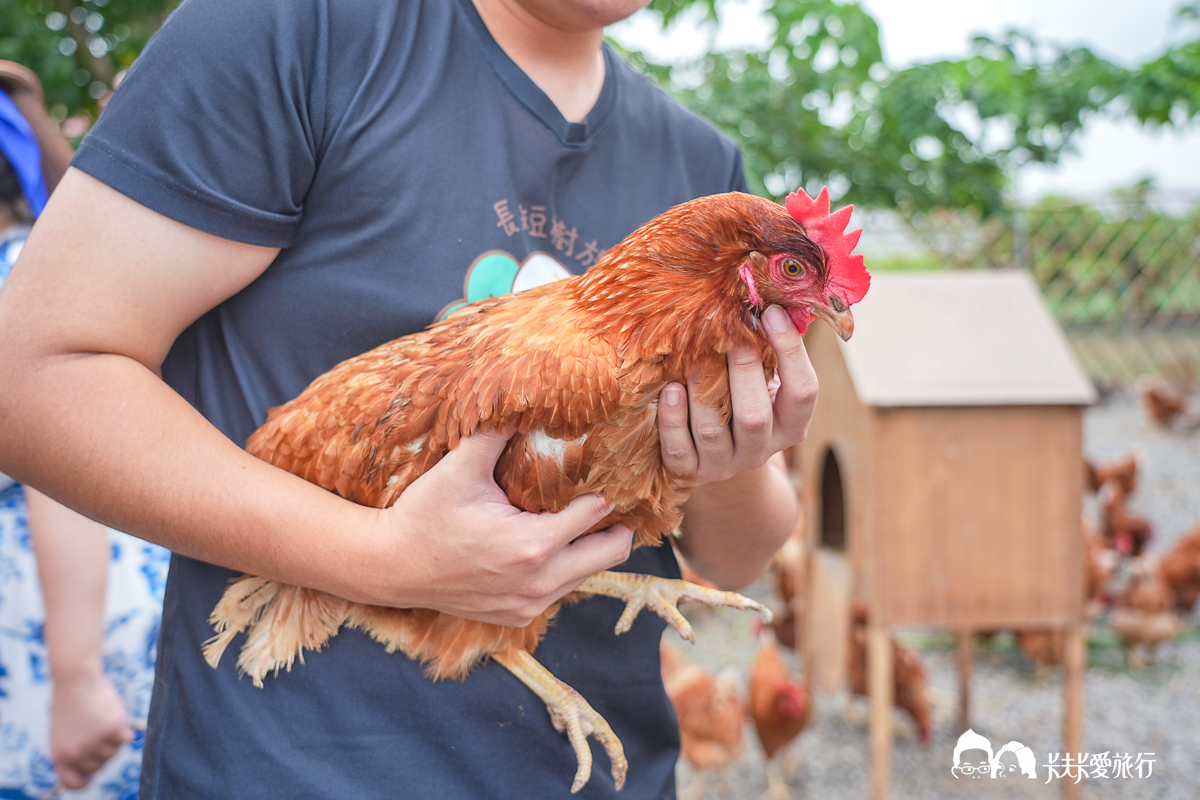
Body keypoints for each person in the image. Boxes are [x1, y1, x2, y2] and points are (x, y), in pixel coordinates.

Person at [0, 1, 817, 797]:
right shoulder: (290, 32)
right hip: (300, 766)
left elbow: (736, 559)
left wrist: (736, 449)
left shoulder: (704, 176)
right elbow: (27, 381)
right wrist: (385, 560)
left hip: (603, 770)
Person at [0, 62, 169, 799]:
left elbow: (56, 468)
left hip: (62, 641)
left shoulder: (15, 286)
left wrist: (74, 675)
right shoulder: (47, 271)